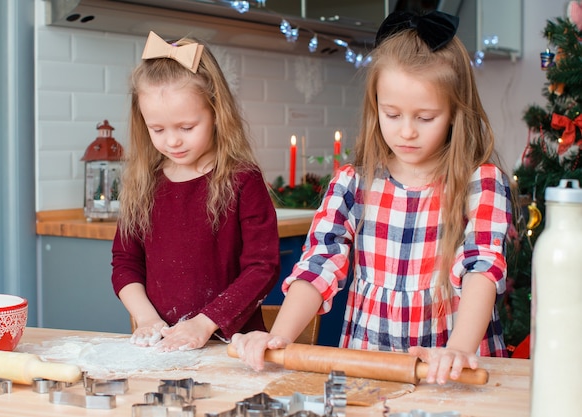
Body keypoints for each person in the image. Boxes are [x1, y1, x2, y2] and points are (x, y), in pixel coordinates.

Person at [231, 10, 513, 385]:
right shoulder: (353, 184)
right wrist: (280, 334)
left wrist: (459, 350)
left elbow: (482, 270)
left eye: (425, 117)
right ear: (375, 106)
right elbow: (318, 265)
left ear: (454, 113)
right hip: (371, 364)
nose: (407, 132)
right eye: (392, 114)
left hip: (454, 368)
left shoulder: (480, 182)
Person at [111, 31, 280, 352]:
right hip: (163, 344)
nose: (172, 141)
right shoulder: (143, 182)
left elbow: (263, 267)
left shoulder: (242, 179)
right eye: (157, 129)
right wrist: (147, 319)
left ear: (216, 112)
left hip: (233, 345)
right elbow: (125, 263)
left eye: (186, 127)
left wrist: (204, 323)